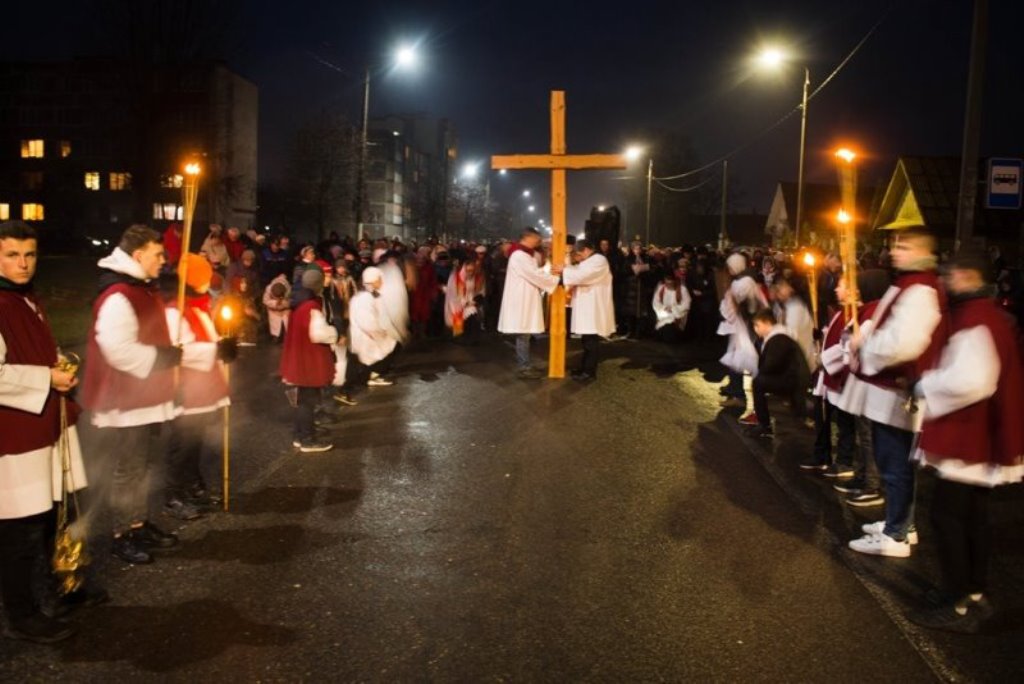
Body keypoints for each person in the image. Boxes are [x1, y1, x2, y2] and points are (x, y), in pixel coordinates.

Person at [82, 225, 216, 565]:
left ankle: (138, 523)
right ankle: (120, 534)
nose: (164, 260)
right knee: (128, 469)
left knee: (140, 467)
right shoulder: (118, 295)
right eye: (158, 254)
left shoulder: (139, 288)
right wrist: (161, 358)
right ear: (138, 255)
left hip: (141, 395)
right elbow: (117, 348)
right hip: (125, 398)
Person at [906, 251, 1024, 633]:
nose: (947, 282)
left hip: (968, 435)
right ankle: (972, 592)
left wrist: (926, 384)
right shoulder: (987, 315)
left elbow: (974, 380)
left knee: (949, 518)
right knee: (972, 519)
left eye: (952, 275)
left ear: (968, 276)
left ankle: (958, 601)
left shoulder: (976, 319)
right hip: (979, 435)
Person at [0, 220, 91, 643]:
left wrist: (58, 364)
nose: (23, 263)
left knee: (53, 515)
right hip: (15, 435)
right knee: (19, 530)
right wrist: (46, 379)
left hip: (44, 424)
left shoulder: (26, 298)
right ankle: (22, 615)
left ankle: (64, 585)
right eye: (13, 254)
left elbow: (33, 349)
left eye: (30, 254)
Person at [848, 227, 947, 558]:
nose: (894, 251)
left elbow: (905, 343)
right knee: (895, 460)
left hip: (897, 392)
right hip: (893, 390)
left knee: (894, 462)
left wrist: (866, 345)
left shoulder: (920, 288)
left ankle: (896, 534)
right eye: (893, 244)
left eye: (903, 246)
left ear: (922, 251)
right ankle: (902, 522)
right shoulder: (913, 283)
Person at [163, 254, 237, 518]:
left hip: (203, 388)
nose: (209, 281)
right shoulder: (175, 311)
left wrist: (223, 346)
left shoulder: (198, 307)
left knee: (195, 442)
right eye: (204, 277)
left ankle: (191, 485)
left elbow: (209, 338)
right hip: (185, 389)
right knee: (182, 445)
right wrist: (215, 350)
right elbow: (176, 351)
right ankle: (173, 494)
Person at [279, 267, 337, 452]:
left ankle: (299, 434)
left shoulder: (299, 304)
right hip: (309, 362)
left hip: (299, 360)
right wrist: (333, 332)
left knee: (302, 400)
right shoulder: (311, 307)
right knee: (308, 402)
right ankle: (307, 439)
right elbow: (319, 334)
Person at [497, 228, 560, 379]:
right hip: (521, 299)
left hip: (525, 297)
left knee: (524, 334)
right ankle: (524, 367)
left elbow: (536, 269)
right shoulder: (520, 255)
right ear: (527, 237)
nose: (538, 242)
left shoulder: (525, 254)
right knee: (523, 333)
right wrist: (555, 278)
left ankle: (525, 365)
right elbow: (533, 274)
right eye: (536, 239)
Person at [751, 308, 812, 456]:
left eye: (757, 325)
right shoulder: (779, 336)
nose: (756, 329)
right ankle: (807, 411)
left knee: (758, 383)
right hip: (793, 378)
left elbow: (772, 364)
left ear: (766, 323)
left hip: (793, 380)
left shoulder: (778, 338)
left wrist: (760, 371)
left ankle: (764, 425)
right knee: (802, 409)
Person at [560, 239, 615, 381]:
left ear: (586, 250)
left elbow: (582, 276)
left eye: (579, 253)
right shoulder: (588, 262)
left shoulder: (599, 260)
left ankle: (589, 372)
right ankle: (584, 368)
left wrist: (564, 271)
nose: (579, 257)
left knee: (591, 341)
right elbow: (576, 272)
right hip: (587, 306)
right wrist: (566, 268)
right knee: (586, 340)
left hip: (593, 307)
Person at [718, 253, 767, 410]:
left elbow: (736, 304)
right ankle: (734, 388)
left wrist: (729, 304)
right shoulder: (741, 281)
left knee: (739, 358)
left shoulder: (745, 282)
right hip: (739, 325)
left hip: (744, 325)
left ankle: (739, 395)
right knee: (734, 357)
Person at [349, 267, 398, 388]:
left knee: (386, 350)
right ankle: (354, 385)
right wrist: (379, 332)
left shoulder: (370, 296)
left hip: (371, 334)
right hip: (367, 335)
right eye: (379, 279)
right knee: (373, 356)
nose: (382, 282)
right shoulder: (364, 297)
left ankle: (371, 376)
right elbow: (367, 321)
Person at [445, 259, 486, 344]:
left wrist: (474, 300)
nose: (470, 273)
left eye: (472, 270)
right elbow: (454, 294)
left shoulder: (475, 277)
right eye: (468, 270)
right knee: (459, 319)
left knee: (473, 316)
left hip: (470, 302)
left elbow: (477, 290)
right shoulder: (457, 278)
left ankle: (472, 338)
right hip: (458, 303)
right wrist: (464, 302)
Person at [652, 273, 691, 343]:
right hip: (663, 317)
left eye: (670, 283)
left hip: (676, 318)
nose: (668, 285)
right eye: (667, 283)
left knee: (670, 332)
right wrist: (664, 308)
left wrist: (673, 309)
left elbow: (687, 304)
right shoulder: (661, 288)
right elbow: (655, 303)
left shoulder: (682, 289)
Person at [262, 273, 291, 342]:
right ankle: (275, 336)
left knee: (287, 323)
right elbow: (265, 301)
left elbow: (292, 301)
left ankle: (288, 336)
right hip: (273, 310)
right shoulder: (269, 289)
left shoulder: (289, 290)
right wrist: (275, 303)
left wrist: (283, 303)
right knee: (275, 324)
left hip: (285, 310)